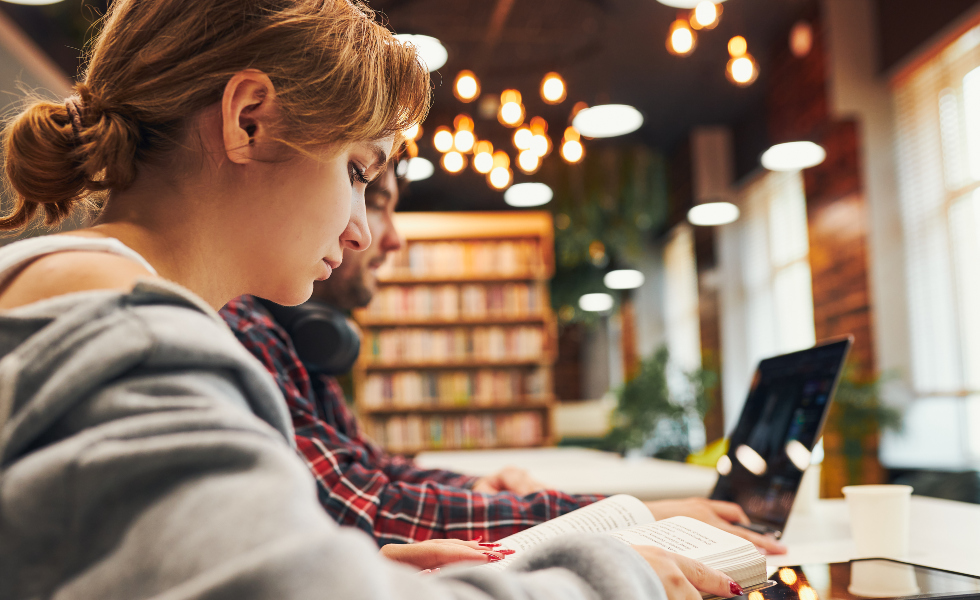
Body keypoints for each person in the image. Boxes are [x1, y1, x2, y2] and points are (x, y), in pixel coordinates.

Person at [0, 0, 744, 598]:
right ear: (249, 120)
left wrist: (375, 570)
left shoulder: (80, 300)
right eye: (358, 172)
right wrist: (621, 576)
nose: (361, 231)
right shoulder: (129, 333)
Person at [219, 159, 788, 558]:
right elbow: (360, 509)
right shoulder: (238, 330)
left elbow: (372, 473)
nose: (376, 236)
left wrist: (485, 489)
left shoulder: (279, 338)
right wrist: (617, 520)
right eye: (359, 183)